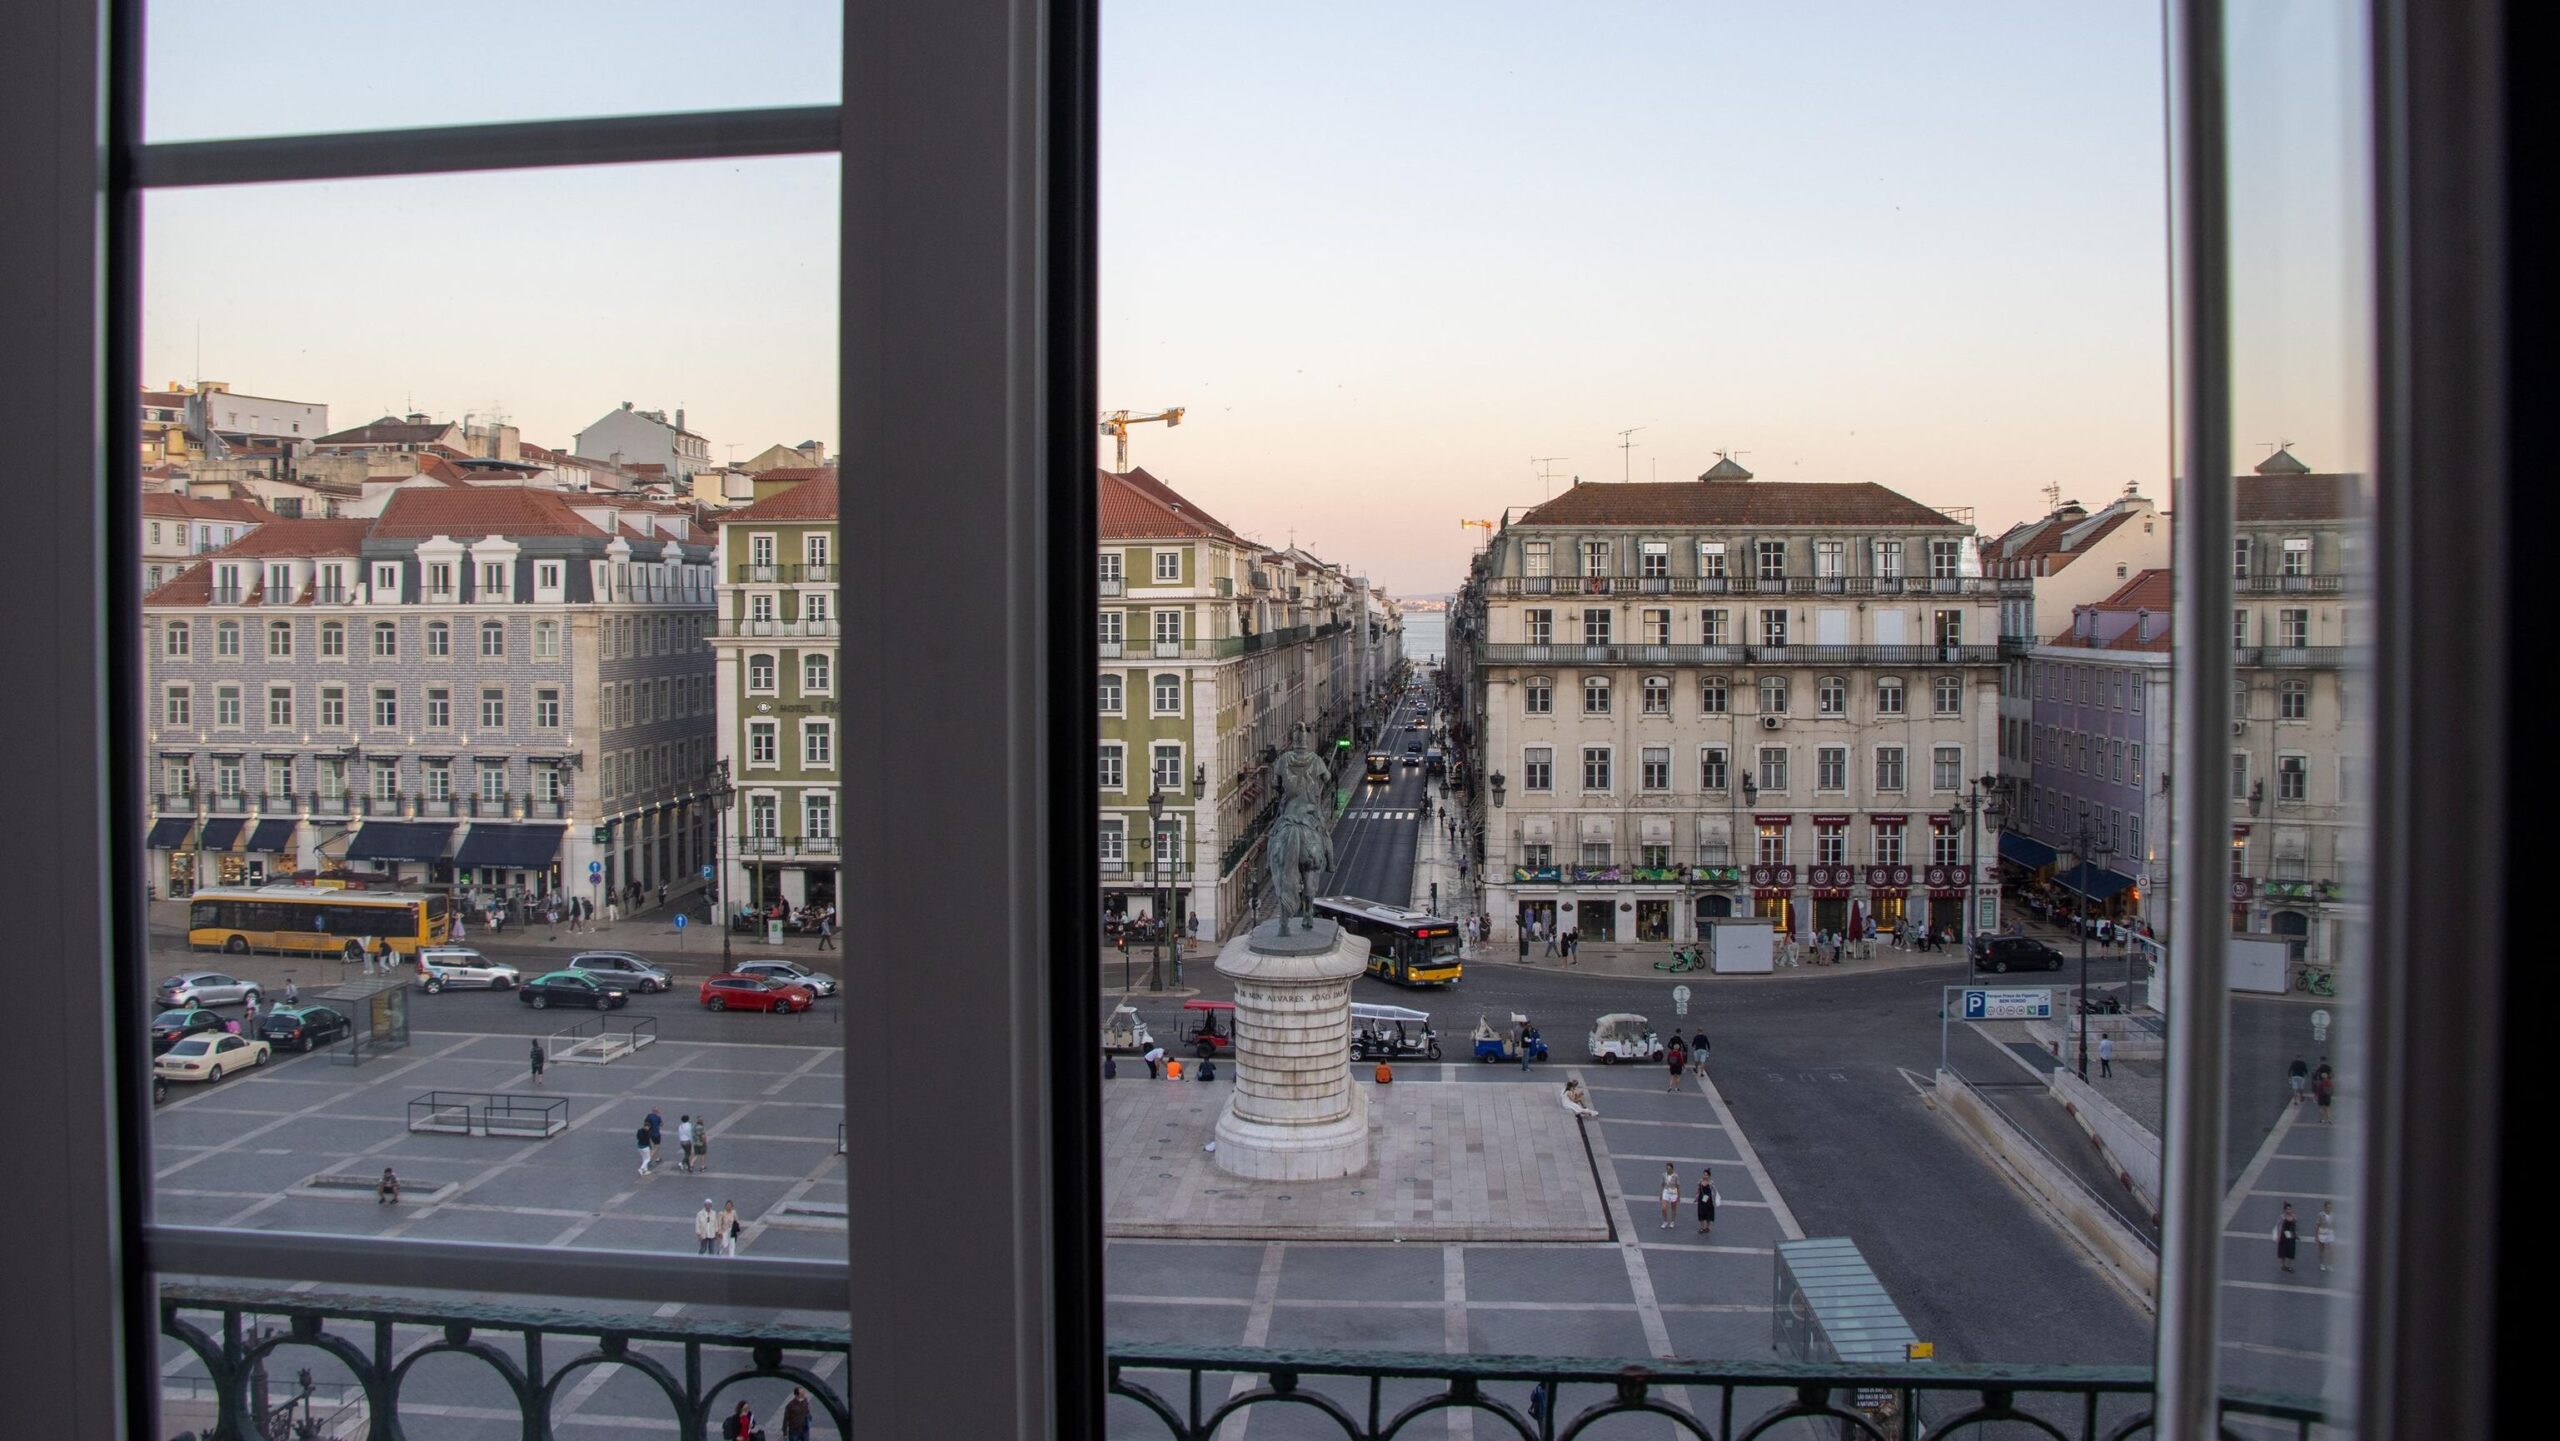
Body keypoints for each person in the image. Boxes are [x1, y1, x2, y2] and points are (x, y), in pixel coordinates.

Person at [2275, 1202, 2300, 1273]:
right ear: (2285, 1210)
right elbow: (2278, 1225)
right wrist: (2278, 1235)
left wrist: (2296, 1234)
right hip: (2284, 1236)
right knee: (2283, 1251)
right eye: (2287, 1209)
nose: (2289, 1210)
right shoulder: (2282, 1217)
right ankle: (2283, 1265)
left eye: (2290, 1209)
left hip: (2291, 1235)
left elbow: (2295, 1226)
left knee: (2291, 1251)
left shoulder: (2293, 1216)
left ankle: (2288, 1266)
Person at [2316, 1202, 2338, 1272]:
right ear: (2325, 1207)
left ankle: (2330, 1264)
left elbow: (2334, 1224)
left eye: (2330, 1207)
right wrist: (2316, 1235)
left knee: (2331, 1250)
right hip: (2322, 1232)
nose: (2329, 1209)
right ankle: (2322, 1264)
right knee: (2322, 1250)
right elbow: (2317, 1224)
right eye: (2328, 1207)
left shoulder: (2333, 1215)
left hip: (2330, 1232)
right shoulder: (2321, 1215)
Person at [1658, 1163, 1680, 1229]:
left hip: (1673, 1192)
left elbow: (1678, 1186)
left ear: (1672, 1169)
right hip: (1666, 1191)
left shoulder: (1676, 1176)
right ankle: (1665, 1221)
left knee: (1673, 1208)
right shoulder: (1664, 1175)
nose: (1668, 1170)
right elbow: (1662, 1184)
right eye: (1667, 1169)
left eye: (1670, 1169)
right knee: (1663, 1208)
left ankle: (1672, 1221)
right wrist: (1661, 1194)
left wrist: (1679, 1196)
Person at [1696, 1167, 1717, 1235]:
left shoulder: (1711, 1183)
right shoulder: (1700, 1181)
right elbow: (1698, 1189)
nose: (1705, 1176)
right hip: (1701, 1199)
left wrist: (1714, 1199)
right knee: (1701, 1212)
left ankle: (1707, 1227)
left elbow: (1714, 1191)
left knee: (1709, 1214)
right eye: (1704, 1174)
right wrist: (1696, 1196)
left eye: (1706, 1175)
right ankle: (1702, 1227)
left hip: (1709, 1200)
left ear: (1709, 1176)